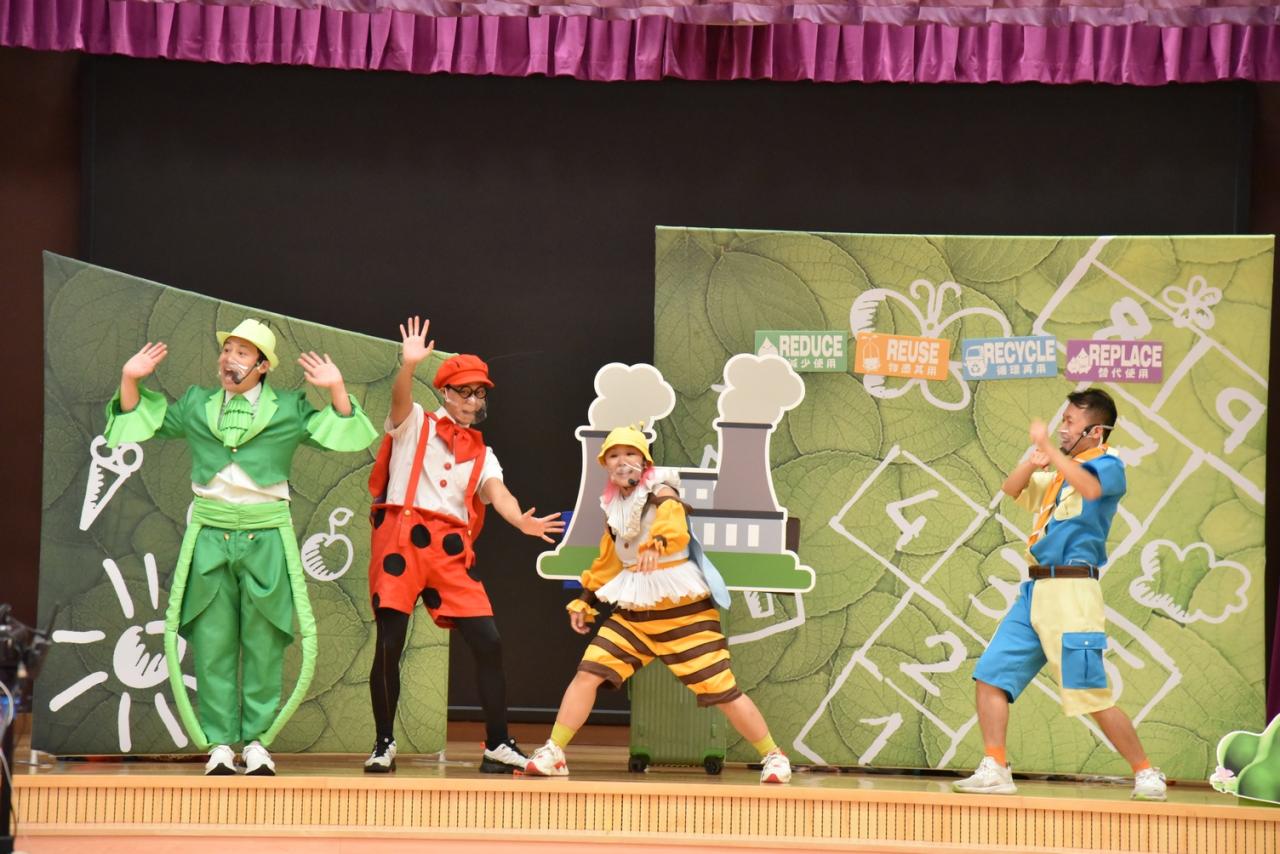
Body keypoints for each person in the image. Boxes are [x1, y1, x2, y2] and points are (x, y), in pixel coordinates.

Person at [105, 319, 378, 776]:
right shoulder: (197, 404)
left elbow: (342, 432)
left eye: (242, 352)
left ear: (263, 366)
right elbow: (145, 422)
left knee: (264, 642)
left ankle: (256, 743)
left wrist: (336, 389)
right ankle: (218, 744)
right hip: (210, 537)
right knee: (212, 642)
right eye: (227, 349)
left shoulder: (288, 408)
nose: (229, 358)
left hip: (266, 536)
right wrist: (130, 379)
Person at [523, 426, 792, 784]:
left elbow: (672, 519)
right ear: (605, 464)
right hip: (635, 616)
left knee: (722, 690)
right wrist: (585, 600)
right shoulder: (614, 507)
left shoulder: (660, 489)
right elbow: (608, 560)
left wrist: (657, 544)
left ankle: (773, 755)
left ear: (644, 460)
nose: (622, 461)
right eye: (614, 455)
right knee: (589, 672)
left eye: (630, 454)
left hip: (682, 613)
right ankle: (555, 751)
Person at [364, 316, 564, 773]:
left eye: (480, 393)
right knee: (390, 641)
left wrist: (520, 520)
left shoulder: (482, 452)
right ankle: (383, 743)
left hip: (451, 550)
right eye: (466, 392)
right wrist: (408, 366)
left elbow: (497, 492)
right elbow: (399, 401)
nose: (474, 401)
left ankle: (497, 743)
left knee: (488, 641)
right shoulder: (416, 422)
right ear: (447, 393)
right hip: (403, 538)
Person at [954, 388, 1166, 800]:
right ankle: (995, 766)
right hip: (1035, 590)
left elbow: (1090, 489)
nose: (1062, 428)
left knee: (1090, 694)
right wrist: (1033, 460)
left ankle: (1145, 771)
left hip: (1072, 592)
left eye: (1070, 422)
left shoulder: (1109, 465)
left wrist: (1051, 450)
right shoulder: (1057, 476)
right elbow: (1012, 488)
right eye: (1063, 420)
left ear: (1095, 431)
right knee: (990, 675)